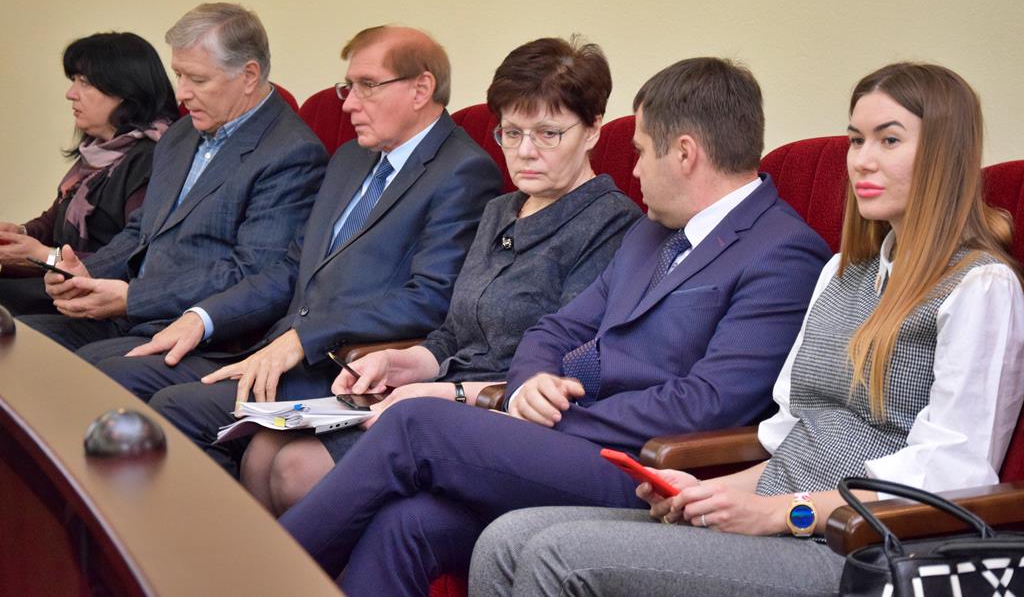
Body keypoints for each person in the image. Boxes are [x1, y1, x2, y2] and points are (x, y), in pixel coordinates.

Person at [275, 57, 833, 595]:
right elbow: (554, 331)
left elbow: (710, 404)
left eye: (641, 151)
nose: (634, 170)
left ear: (684, 153)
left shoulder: (782, 253)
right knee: (408, 523)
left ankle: (253, 578)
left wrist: (563, 420)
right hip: (571, 445)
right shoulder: (652, 232)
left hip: (650, 470)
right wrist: (531, 384)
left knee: (415, 423)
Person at [468, 62, 1024, 597]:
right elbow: (790, 435)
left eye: (889, 140)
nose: (862, 161)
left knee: (556, 553)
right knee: (504, 541)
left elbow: (954, 469)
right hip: (777, 508)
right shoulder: (843, 272)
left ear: (944, 156)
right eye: (856, 140)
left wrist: (783, 512)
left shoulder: (981, 285)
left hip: (856, 546)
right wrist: (709, 491)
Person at [241, 36, 642, 515]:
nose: (525, 152)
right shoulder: (500, 210)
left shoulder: (613, 225)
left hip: (503, 417)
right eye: (511, 133)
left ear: (593, 129)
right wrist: (400, 363)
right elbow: (454, 333)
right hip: (434, 394)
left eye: (548, 134)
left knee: (294, 470)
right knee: (261, 449)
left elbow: (559, 372)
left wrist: (439, 392)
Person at [89, 25, 504, 475]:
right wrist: (203, 317)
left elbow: (430, 297)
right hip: (275, 346)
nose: (348, 104)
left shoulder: (463, 170)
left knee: (176, 409)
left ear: (421, 88)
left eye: (368, 85)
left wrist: (307, 339)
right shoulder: (350, 158)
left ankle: (208, 522)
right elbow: (292, 267)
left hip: (343, 370)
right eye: (349, 86)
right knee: (115, 374)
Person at [18, 3, 327, 351]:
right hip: (128, 317)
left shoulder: (291, 153)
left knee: (81, 367)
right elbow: (141, 230)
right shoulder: (180, 135)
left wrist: (133, 298)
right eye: (178, 75)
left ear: (249, 75)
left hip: (197, 332)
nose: (181, 93)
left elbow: (250, 273)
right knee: (15, 341)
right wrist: (84, 274)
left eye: (197, 79)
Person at [0, 32, 178, 315]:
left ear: (126, 90)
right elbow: (55, 221)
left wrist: (42, 256)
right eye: (74, 80)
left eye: (84, 82)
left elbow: (133, 257)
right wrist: (18, 235)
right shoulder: (98, 150)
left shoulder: (151, 157)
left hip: (103, 299)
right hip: (62, 281)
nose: (70, 93)